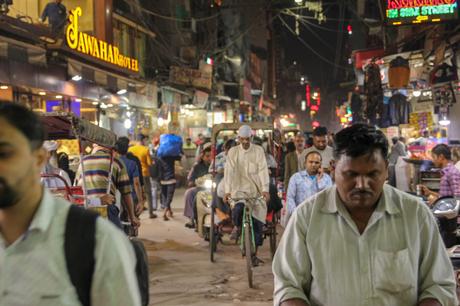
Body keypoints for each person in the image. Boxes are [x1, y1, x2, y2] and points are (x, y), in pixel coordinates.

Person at [273, 123, 457, 306]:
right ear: (334, 168)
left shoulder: (416, 215)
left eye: (372, 174)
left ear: (386, 169)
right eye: (351, 175)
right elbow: (288, 287)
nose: (361, 184)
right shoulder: (306, 218)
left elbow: (439, 285)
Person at [0, 103, 141, 306]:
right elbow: (126, 192)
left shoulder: (96, 241)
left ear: (40, 158)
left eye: (5, 154)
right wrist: (132, 215)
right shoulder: (102, 165)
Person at [224, 125, 270, 266]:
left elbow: (262, 169)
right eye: (242, 139)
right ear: (238, 139)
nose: (245, 142)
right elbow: (229, 171)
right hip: (238, 191)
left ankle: (254, 254)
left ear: (251, 138)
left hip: (255, 191)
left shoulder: (258, 151)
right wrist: (228, 191)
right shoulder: (233, 152)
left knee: (257, 224)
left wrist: (265, 189)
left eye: (247, 139)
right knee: (237, 210)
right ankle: (238, 227)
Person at [77, 144, 140, 230]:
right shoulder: (116, 161)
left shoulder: (82, 162)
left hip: (84, 210)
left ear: (94, 146)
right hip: (106, 210)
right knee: (119, 239)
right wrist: (132, 217)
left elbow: (77, 188)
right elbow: (126, 193)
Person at [286, 151, 333, 217]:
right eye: (310, 162)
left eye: (316, 162)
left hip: (319, 217)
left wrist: (320, 180)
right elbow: (290, 198)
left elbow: (328, 197)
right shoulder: (296, 177)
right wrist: (296, 214)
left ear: (320, 164)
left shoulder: (327, 178)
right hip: (300, 216)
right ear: (305, 163)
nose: (313, 164)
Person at [184, 145, 212, 228]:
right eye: (207, 156)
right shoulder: (197, 167)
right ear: (202, 157)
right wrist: (194, 182)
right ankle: (191, 219)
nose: (209, 158)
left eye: (211, 156)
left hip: (214, 189)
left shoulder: (217, 165)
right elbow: (191, 180)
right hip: (200, 189)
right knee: (189, 193)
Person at [129, 134, 157, 219]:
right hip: (144, 173)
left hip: (133, 174)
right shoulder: (145, 149)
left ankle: (135, 214)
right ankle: (151, 213)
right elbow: (149, 164)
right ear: (143, 140)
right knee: (148, 193)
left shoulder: (130, 149)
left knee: (135, 193)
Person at [115, 137, 144, 217]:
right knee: (133, 220)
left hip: (117, 198)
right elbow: (137, 183)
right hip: (131, 197)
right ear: (127, 148)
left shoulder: (113, 163)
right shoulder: (132, 163)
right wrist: (141, 201)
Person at [157, 154, 182, 221]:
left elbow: (158, 170)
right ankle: (164, 213)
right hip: (171, 180)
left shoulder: (159, 159)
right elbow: (179, 157)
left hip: (163, 180)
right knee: (169, 197)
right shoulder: (172, 157)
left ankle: (169, 212)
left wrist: (159, 180)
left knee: (165, 197)